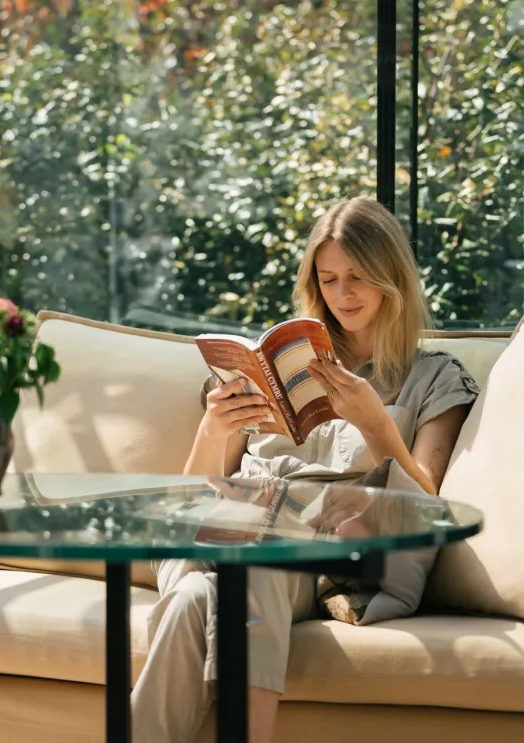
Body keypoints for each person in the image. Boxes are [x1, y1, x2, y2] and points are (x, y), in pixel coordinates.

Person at [130, 196, 480, 743]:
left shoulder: (433, 379)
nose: (343, 295)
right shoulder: (282, 366)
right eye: (329, 278)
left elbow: (428, 505)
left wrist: (376, 426)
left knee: (204, 596)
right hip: (221, 527)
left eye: (359, 277)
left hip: (313, 553)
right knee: (213, 563)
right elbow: (190, 496)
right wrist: (213, 431)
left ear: (393, 278)